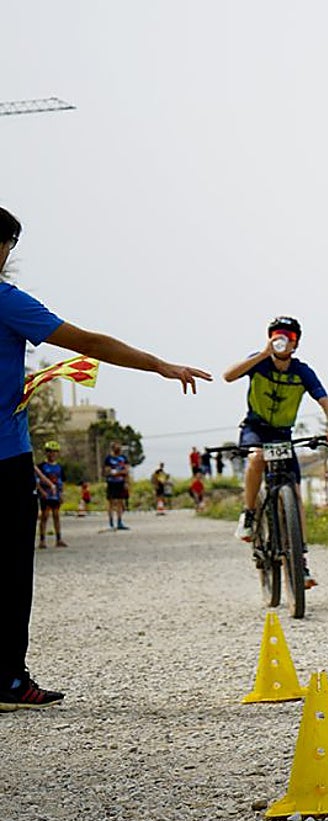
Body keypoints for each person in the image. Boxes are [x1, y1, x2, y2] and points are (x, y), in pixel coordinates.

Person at [0, 205, 209, 711]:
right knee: (8, 572)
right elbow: (87, 343)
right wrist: (158, 364)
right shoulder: (6, 300)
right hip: (4, 457)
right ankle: (7, 681)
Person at [223, 315, 328, 588]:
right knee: (256, 457)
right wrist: (262, 354)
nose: (281, 340)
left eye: (288, 337)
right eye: (276, 335)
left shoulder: (302, 371)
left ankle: (300, 563)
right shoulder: (259, 362)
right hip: (255, 428)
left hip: (283, 435)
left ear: (295, 343)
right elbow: (228, 375)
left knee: (296, 494)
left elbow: (325, 401)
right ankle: (249, 514)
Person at [36, 441, 67, 548]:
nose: (52, 454)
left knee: (56, 516)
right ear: (46, 453)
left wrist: (62, 494)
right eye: (50, 451)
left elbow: (62, 481)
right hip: (45, 495)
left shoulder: (59, 467)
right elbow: (37, 481)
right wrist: (41, 491)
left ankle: (59, 539)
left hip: (56, 495)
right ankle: (42, 540)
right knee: (44, 516)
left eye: (54, 452)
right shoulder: (41, 466)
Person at [103, 441, 131, 531]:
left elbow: (126, 471)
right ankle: (111, 522)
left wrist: (126, 482)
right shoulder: (108, 458)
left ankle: (119, 522)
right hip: (111, 482)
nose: (119, 450)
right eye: (117, 448)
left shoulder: (123, 458)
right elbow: (107, 471)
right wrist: (118, 472)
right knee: (110, 502)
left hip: (121, 482)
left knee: (120, 502)